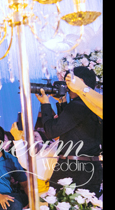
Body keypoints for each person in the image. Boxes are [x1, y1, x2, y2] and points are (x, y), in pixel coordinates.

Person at [36, 66, 103, 197]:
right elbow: (71, 128)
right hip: (91, 167)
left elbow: (51, 131)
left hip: (72, 169)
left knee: (59, 207)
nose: (66, 87)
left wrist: (45, 104)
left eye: (68, 82)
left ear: (79, 81)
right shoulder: (93, 105)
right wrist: (62, 102)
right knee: (87, 209)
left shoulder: (78, 104)